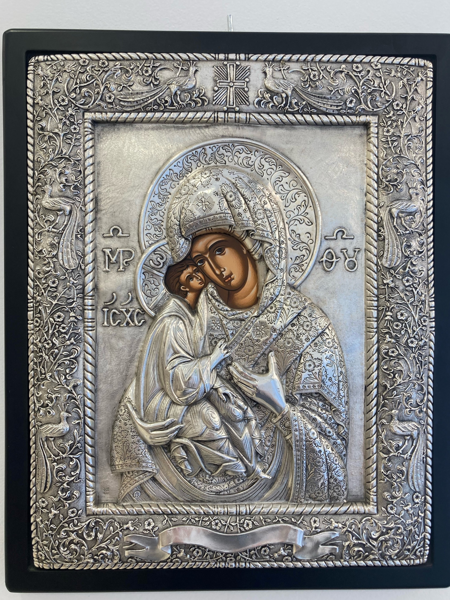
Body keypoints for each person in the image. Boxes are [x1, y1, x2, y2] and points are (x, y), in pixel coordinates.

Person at [111, 257, 265, 501]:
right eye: (189, 274)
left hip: (194, 385)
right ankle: (232, 470)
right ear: (182, 286)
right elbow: (176, 379)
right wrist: (212, 359)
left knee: (234, 407)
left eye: (196, 270)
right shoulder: (173, 321)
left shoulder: (195, 314)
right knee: (210, 418)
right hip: (165, 398)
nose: (197, 274)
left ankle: (253, 467)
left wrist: (217, 384)